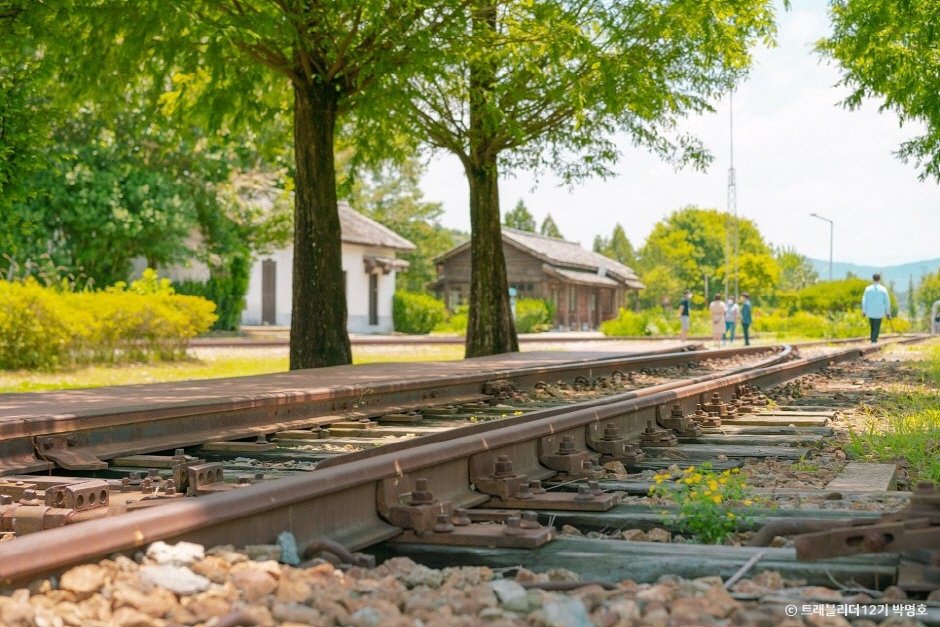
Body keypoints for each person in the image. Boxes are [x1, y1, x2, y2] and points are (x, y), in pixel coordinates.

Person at [861, 273, 891, 343]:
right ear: (879, 279)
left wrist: (864, 310)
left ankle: (873, 339)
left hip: (870, 311)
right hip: (879, 311)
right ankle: (874, 340)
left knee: (872, 326)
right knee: (877, 326)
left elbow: (864, 300)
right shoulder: (883, 289)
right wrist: (888, 312)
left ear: (872, 279)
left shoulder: (868, 289)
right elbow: (887, 301)